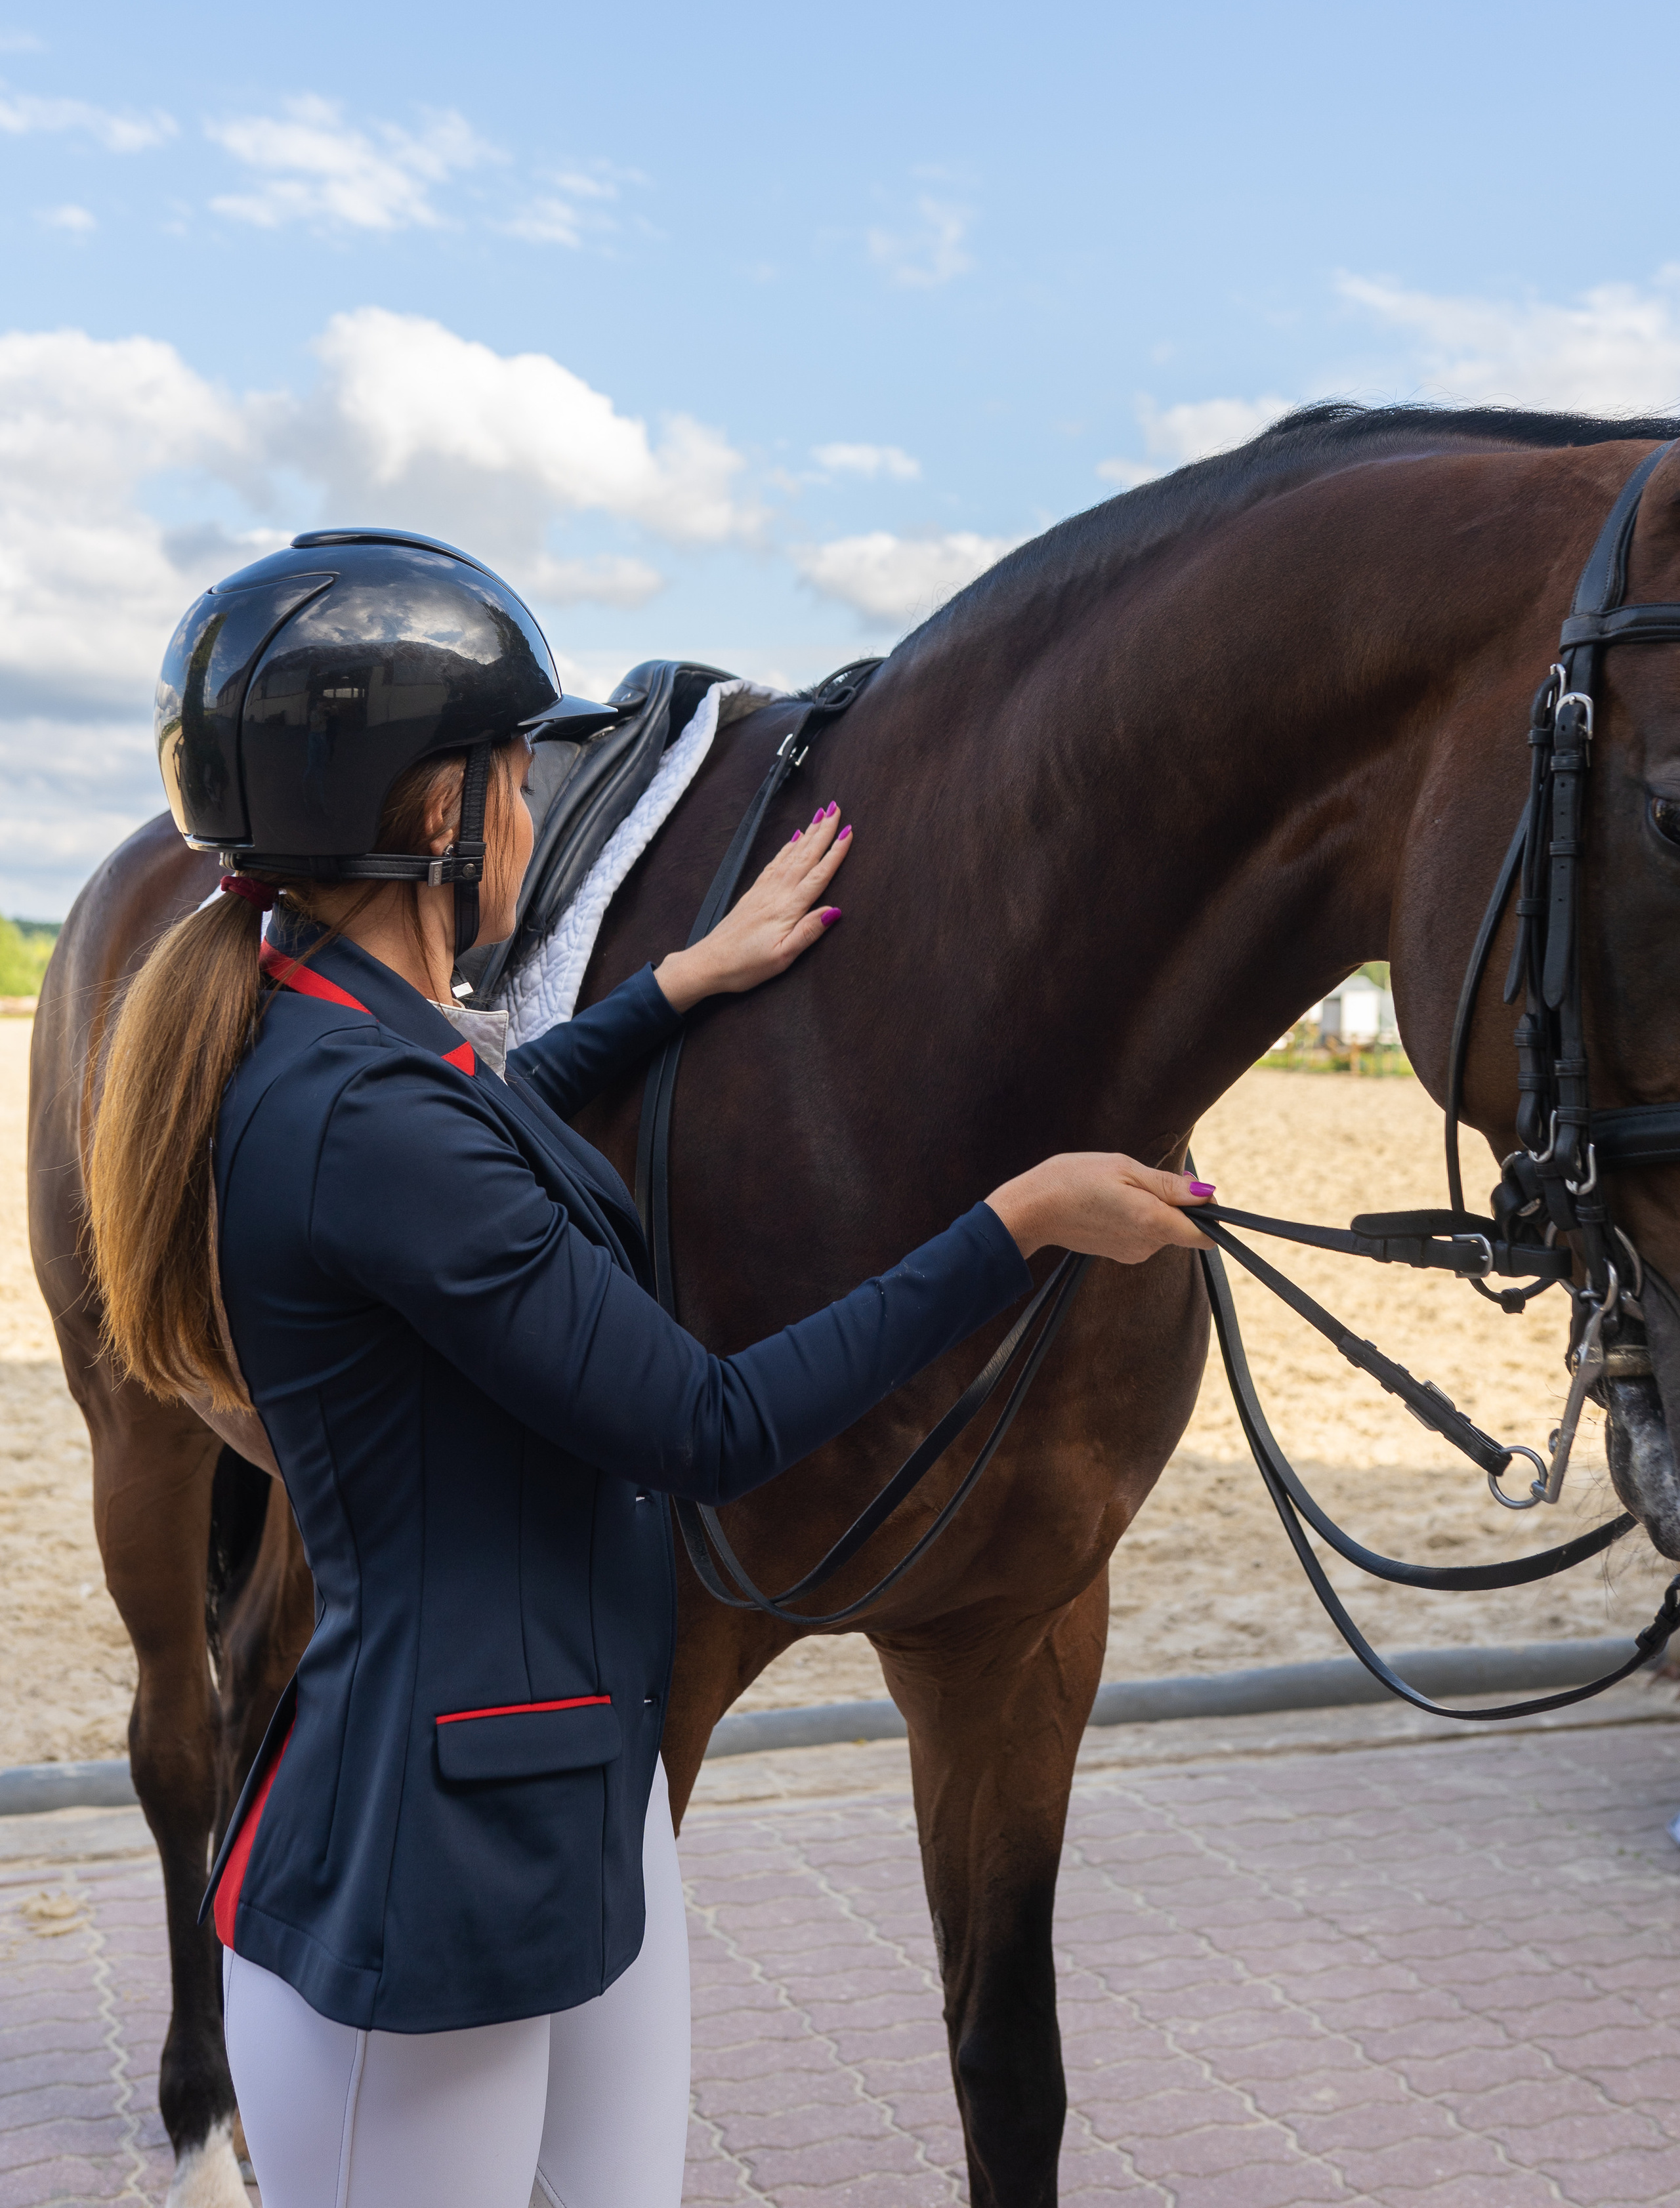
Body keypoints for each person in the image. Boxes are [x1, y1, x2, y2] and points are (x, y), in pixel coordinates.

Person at [89, 527, 1213, 2208]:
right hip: (425, 1882)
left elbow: (500, 1114)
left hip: (558, 1802)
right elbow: (708, 1420)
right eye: (517, 776)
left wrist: (685, 978)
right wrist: (1013, 1224)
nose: (537, 815)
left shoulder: (344, 1050)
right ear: (432, 814)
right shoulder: (358, 1117)